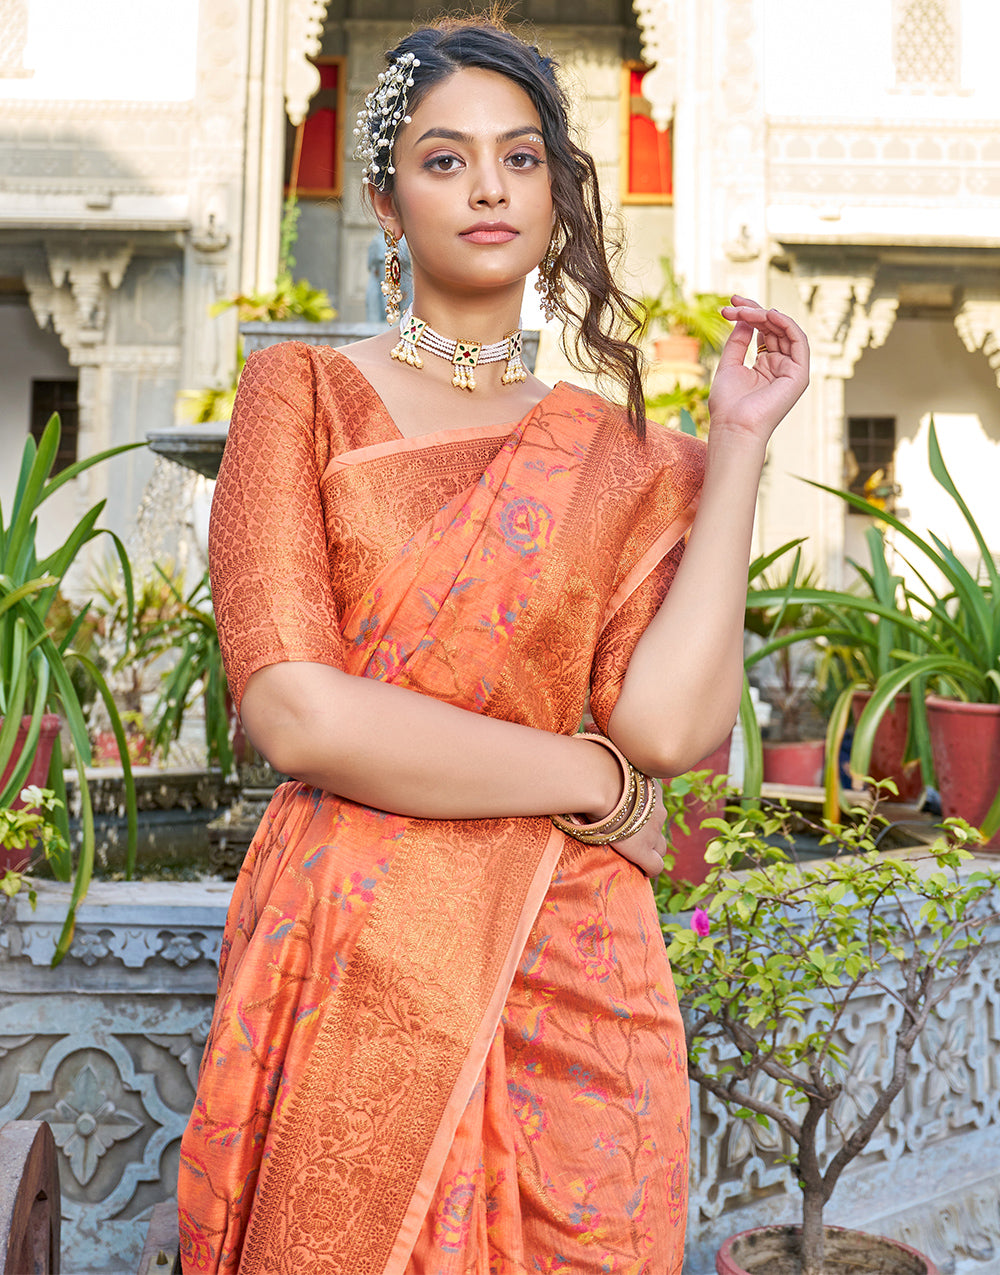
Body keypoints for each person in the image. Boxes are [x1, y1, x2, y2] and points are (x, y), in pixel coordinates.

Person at [177, 15, 809, 1275]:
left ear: (561, 193)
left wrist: (737, 444)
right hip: (357, 938)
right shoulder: (298, 396)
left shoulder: (629, 456)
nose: (487, 188)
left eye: (522, 160)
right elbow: (296, 712)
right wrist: (587, 780)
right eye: (444, 158)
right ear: (382, 198)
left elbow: (671, 734)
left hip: (573, 958)